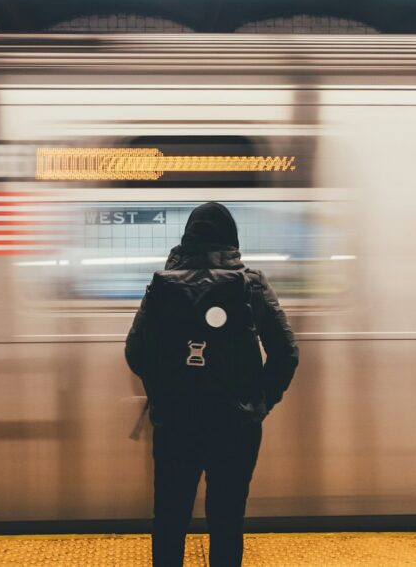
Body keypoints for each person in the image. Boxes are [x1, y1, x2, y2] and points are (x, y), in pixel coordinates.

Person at [125, 202, 299, 567]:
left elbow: (135, 352)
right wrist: (258, 402)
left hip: (176, 424)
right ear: (232, 239)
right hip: (236, 426)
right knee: (227, 519)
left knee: (170, 519)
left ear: (187, 238)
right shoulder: (252, 284)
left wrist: (164, 396)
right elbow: (286, 353)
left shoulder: (162, 285)